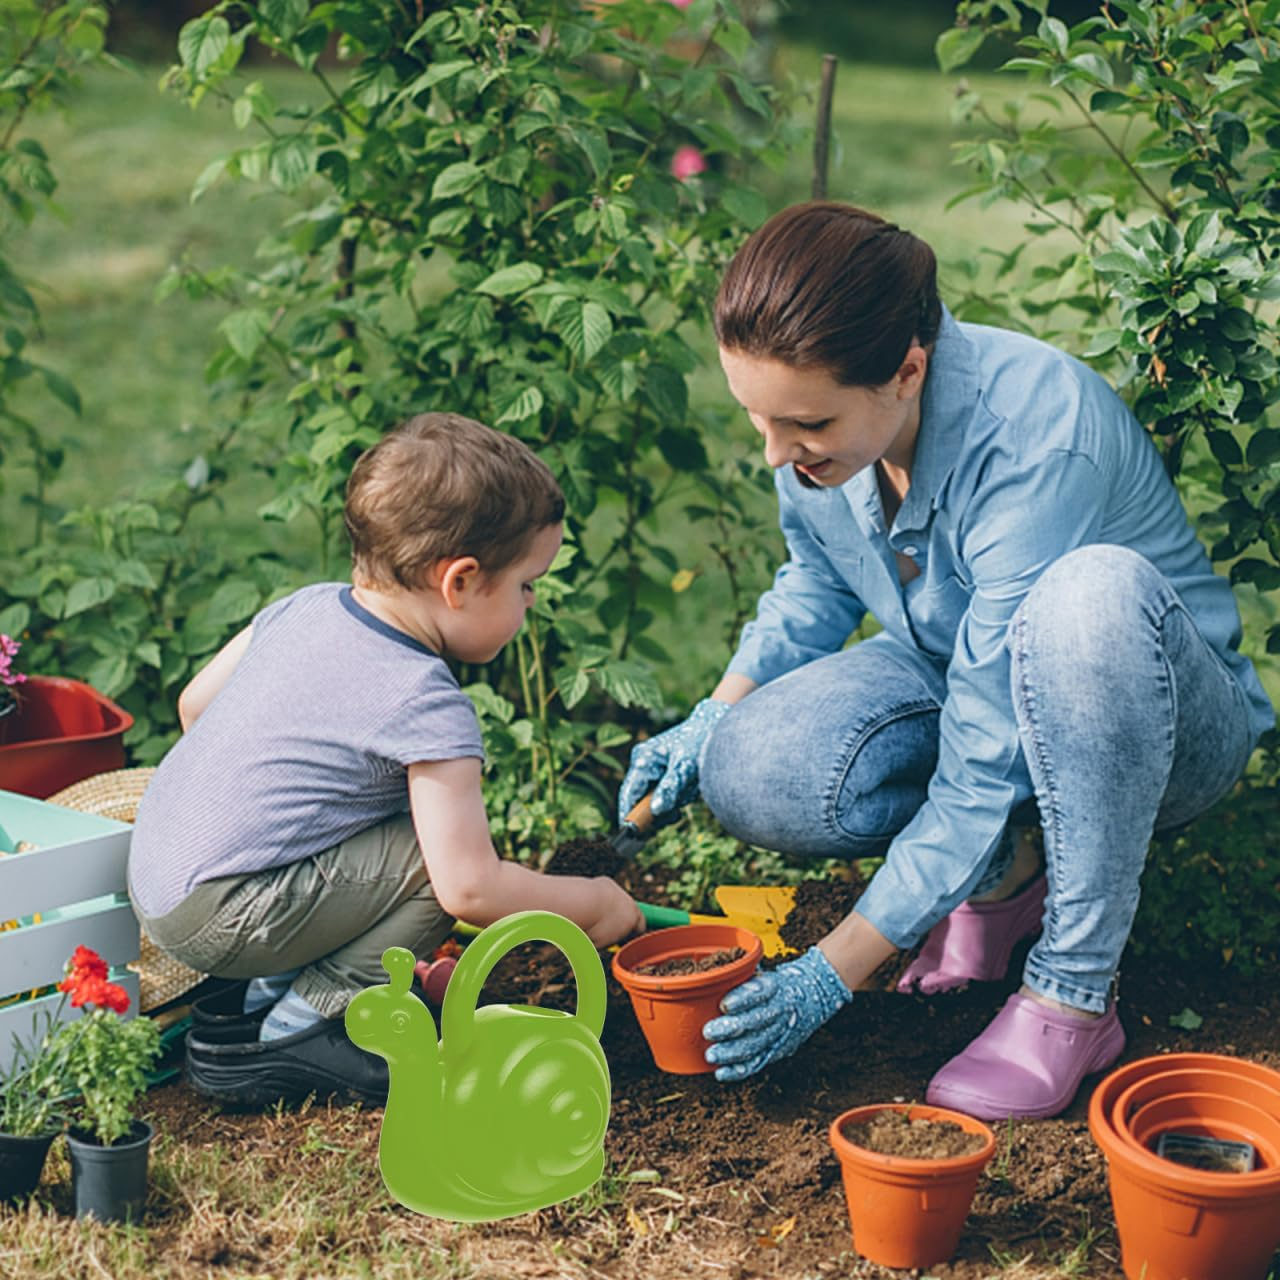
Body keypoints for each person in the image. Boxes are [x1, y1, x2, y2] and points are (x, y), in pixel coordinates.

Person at [618, 202, 1274, 1120]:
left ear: (909, 370)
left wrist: (833, 971)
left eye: (803, 423)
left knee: (1085, 600)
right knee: (755, 766)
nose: (775, 452)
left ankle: (1072, 993)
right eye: (757, 419)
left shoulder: (1033, 437)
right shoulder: (819, 435)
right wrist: (716, 711)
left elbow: (983, 751)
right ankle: (1003, 876)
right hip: (968, 673)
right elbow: (815, 583)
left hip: (1153, 725)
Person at [129, 413, 644, 1103]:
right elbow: (468, 889)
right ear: (459, 582)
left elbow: (195, 706)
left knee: (394, 847)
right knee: (432, 863)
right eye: (528, 585)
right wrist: (592, 903)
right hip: (226, 915)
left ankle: (259, 993)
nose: (530, 604)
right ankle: (307, 1025)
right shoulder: (423, 700)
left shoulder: (304, 608)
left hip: (159, 883)